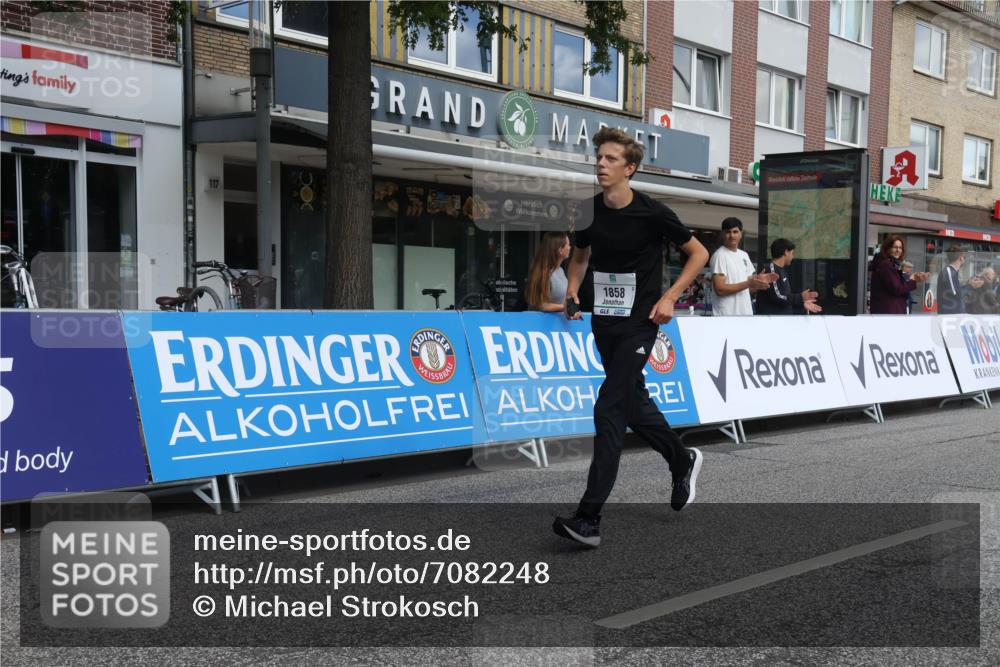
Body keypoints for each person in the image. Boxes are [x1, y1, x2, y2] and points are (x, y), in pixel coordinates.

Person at [553, 127, 710, 548]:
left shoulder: (652, 212)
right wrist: (572, 290)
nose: (600, 164)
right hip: (605, 322)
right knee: (634, 404)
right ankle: (682, 459)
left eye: (610, 159)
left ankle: (589, 518)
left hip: (641, 323)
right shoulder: (588, 210)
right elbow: (581, 255)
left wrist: (670, 297)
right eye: (599, 157)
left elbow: (699, 253)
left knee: (609, 406)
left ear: (630, 168)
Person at [709, 218, 773, 316]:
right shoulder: (719, 256)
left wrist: (759, 281)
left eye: (735, 232)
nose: (732, 235)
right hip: (726, 317)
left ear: (741, 234)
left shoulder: (744, 255)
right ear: (722, 234)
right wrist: (749, 283)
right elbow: (720, 289)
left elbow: (749, 287)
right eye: (728, 232)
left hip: (745, 314)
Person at [755, 238, 822, 315]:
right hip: (772, 320)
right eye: (792, 253)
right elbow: (778, 296)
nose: (792, 256)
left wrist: (802, 304)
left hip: (783, 319)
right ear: (786, 252)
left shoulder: (781, 270)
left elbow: (786, 299)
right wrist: (800, 297)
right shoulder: (771, 269)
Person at [868, 235, 928, 314]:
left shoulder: (890, 264)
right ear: (887, 248)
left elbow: (897, 286)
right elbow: (897, 289)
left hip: (889, 311)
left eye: (900, 248)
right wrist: (913, 279)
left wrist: (911, 278)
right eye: (895, 247)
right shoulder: (886, 265)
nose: (898, 250)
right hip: (889, 313)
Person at [524, 232, 570, 312]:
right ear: (560, 250)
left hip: (557, 319)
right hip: (540, 319)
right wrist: (565, 307)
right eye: (568, 245)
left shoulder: (560, 270)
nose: (570, 247)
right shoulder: (543, 273)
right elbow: (541, 305)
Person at [937, 245, 968, 315]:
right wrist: (970, 286)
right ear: (961, 258)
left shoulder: (952, 272)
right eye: (964, 257)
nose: (964, 259)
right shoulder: (948, 271)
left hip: (953, 314)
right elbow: (955, 294)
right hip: (950, 315)